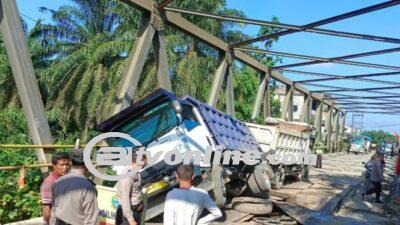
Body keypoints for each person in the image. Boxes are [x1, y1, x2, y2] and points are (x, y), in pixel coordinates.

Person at [50, 149, 99, 225]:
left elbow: (54, 210)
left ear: (70, 162)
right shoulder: (88, 187)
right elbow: (91, 219)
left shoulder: (58, 182)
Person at [115, 152, 147, 225]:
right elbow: (125, 198)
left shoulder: (136, 172)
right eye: (146, 159)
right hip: (128, 214)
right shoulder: (127, 176)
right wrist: (131, 220)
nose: (147, 161)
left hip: (135, 210)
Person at [40, 152, 70, 225]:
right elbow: (47, 207)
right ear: (54, 166)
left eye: (67, 164)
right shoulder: (48, 183)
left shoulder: (68, 178)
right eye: (62, 165)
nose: (65, 168)